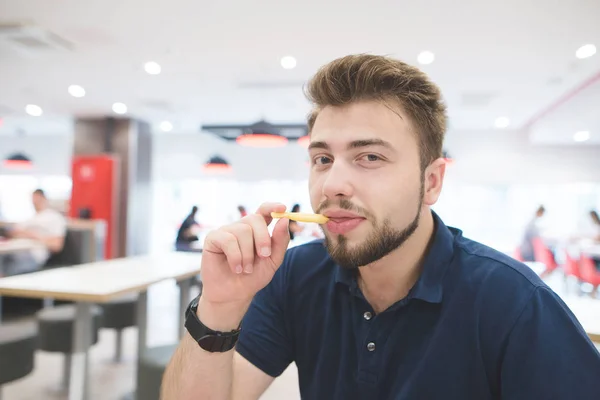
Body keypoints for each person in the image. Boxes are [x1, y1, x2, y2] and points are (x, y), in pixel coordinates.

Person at [162, 55, 600, 399]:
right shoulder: (295, 275)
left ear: (431, 182)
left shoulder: (516, 303)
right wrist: (218, 307)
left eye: (370, 157)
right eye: (322, 159)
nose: (332, 184)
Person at [2, 189, 66, 276]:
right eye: (33, 199)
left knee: (10, 267)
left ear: (44, 199)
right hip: (14, 250)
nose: (34, 202)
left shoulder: (54, 217)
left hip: (32, 255)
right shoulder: (31, 218)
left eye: (37, 199)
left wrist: (33, 236)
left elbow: (57, 245)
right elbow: (13, 231)